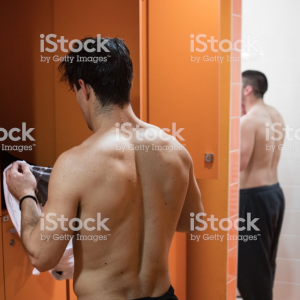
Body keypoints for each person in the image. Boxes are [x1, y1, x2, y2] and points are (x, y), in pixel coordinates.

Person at [6, 37, 203, 300]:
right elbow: (193, 221)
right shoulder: (176, 151)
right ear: (126, 83)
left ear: (83, 88)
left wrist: (26, 194)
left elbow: (42, 256)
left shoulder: (76, 163)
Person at [238, 70, 285, 300]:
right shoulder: (275, 115)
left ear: (247, 90)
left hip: (253, 198)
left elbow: (239, 164)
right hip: (274, 193)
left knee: (250, 268)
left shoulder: (249, 120)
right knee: (265, 262)